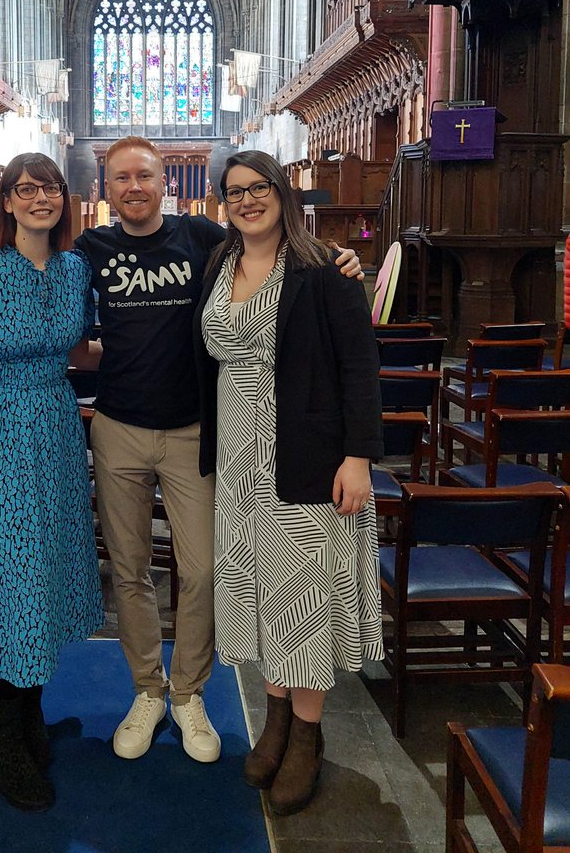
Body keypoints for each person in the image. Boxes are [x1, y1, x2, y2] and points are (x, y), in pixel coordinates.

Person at [0, 136, 364, 768]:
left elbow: (273, 248)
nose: (134, 187)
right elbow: (43, 298)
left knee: (201, 571)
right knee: (130, 571)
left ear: (165, 181)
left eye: (144, 175)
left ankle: (189, 693)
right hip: (117, 427)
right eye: (121, 178)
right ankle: (147, 689)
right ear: (105, 189)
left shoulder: (204, 240)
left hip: (193, 430)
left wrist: (338, 257)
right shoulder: (86, 253)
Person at [193, 150, 383, 815]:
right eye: (235, 191)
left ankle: (306, 734)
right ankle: (274, 720)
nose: (247, 200)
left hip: (306, 454)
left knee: (300, 597)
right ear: (224, 203)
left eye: (259, 188)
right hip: (237, 460)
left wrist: (358, 457)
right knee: (256, 591)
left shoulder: (324, 266)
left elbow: (360, 365)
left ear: (282, 192)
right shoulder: (218, 264)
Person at [0, 153, 103, 812]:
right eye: (25, 189)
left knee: (43, 575)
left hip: (56, 434)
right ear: (5, 201)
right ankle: (3, 735)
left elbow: (78, 352)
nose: (40, 198)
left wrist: (156, 345)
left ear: (64, 198)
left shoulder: (73, 270)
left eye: (50, 188)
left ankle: (29, 715)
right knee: (11, 582)